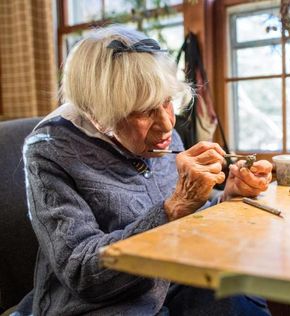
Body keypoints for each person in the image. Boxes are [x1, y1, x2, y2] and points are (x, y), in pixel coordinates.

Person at [14, 26, 273, 316]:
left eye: (166, 102)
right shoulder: (50, 152)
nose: (167, 124)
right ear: (99, 113)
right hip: (101, 305)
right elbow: (82, 274)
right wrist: (173, 208)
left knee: (238, 294)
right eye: (145, 111)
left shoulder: (161, 135)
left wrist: (228, 196)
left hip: (169, 284)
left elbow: (183, 219)